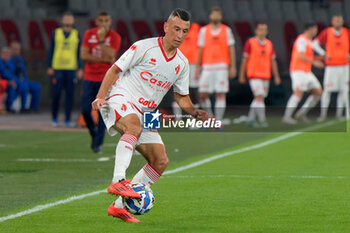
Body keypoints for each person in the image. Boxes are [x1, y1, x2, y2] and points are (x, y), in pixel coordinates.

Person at [92, 8, 207, 222]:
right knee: (133, 126)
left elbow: (181, 97)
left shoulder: (182, 63)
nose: (180, 35)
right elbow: (114, 70)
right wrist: (100, 97)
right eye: (176, 29)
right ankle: (118, 180)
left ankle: (118, 206)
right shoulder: (144, 47)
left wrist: (193, 111)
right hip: (122, 98)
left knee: (160, 161)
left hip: (147, 112)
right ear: (165, 27)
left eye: (184, 31)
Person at [81, 11, 121, 153]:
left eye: (106, 20)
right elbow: (83, 55)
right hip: (89, 77)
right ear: (96, 22)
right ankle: (94, 134)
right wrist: (102, 58)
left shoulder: (115, 37)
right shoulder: (88, 34)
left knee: (102, 112)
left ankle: (98, 143)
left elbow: (111, 57)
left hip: (105, 79)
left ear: (110, 22)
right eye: (101, 20)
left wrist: (102, 40)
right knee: (85, 110)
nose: (103, 23)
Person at [196, 6, 236, 125]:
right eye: (214, 14)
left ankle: (218, 120)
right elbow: (200, 49)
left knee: (220, 93)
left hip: (222, 66)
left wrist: (232, 66)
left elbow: (231, 49)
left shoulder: (226, 30)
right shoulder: (204, 30)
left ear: (221, 17)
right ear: (210, 16)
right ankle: (210, 116)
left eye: (218, 15)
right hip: (207, 66)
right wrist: (198, 67)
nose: (216, 17)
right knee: (202, 94)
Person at [239, 23, 281, 127]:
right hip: (254, 75)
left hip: (265, 75)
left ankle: (251, 118)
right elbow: (245, 59)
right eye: (261, 29)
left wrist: (276, 76)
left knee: (259, 98)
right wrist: (241, 75)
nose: (262, 31)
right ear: (256, 31)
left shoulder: (269, 44)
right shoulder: (250, 42)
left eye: (264, 29)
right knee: (259, 96)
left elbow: (273, 61)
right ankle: (262, 120)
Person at [282, 22, 324, 124]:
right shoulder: (301, 39)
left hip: (307, 71)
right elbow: (301, 56)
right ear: (310, 28)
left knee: (318, 93)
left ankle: (302, 113)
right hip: (298, 71)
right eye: (315, 29)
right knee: (298, 94)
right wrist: (314, 62)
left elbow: (308, 57)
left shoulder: (309, 41)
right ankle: (286, 117)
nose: (316, 31)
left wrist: (319, 58)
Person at [47, 12, 83, 127]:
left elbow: (79, 53)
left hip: (71, 69)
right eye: (65, 17)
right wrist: (49, 66)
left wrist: (80, 68)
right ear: (62, 20)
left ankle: (67, 119)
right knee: (56, 94)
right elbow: (51, 50)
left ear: (73, 21)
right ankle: (54, 118)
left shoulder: (76, 34)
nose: (67, 19)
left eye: (70, 18)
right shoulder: (56, 33)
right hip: (57, 68)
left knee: (70, 95)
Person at [313, 15, 350, 121]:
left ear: (342, 22)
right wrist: (323, 53)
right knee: (327, 90)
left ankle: (341, 114)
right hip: (331, 66)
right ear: (332, 22)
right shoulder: (327, 32)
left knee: (344, 90)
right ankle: (323, 114)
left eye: (339, 20)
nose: (338, 22)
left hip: (344, 66)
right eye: (336, 20)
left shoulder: (347, 32)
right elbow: (315, 43)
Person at [173, 22, 200, 119]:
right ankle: (177, 118)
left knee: (192, 90)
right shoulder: (175, 29)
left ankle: (193, 117)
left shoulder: (197, 29)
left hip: (193, 63)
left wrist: (198, 66)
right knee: (177, 89)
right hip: (179, 62)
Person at [9, 41, 41, 112]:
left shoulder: (20, 59)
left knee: (36, 86)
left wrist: (25, 80)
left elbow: (23, 73)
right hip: (14, 81)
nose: (16, 51)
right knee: (24, 85)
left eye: (17, 49)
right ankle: (23, 107)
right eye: (14, 49)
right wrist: (19, 81)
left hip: (23, 81)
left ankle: (33, 107)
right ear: (10, 49)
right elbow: (9, 74)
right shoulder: (8, 59)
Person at [0, 47, 23, 113]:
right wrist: (11, 81)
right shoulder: (0, 62)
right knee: (13, 86)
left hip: (7, 82)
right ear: (2, 55)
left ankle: (9, 106)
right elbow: (4, 74)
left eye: (8, 55)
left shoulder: (10, 63)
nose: (7, 56)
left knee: (21, 86)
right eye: (5, 54)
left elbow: (15, 72)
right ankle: (8, 107)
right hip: (3, 83)